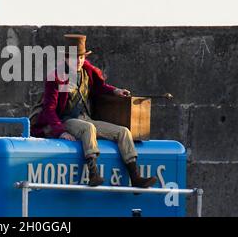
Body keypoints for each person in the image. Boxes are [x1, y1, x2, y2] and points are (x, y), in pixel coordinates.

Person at [31, 34, 158, 187]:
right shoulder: (57, 77)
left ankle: (135, 176)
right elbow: (49, 109)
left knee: (123, 131)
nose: (78, 61)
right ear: (65, 58)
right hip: (67, 120)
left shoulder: (87, 73)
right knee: (88, 128)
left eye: (81, 57)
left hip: (86, 118)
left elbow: (100, 87)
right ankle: (93, 173)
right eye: (74, 57)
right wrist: (60, 131)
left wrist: (115, 91)